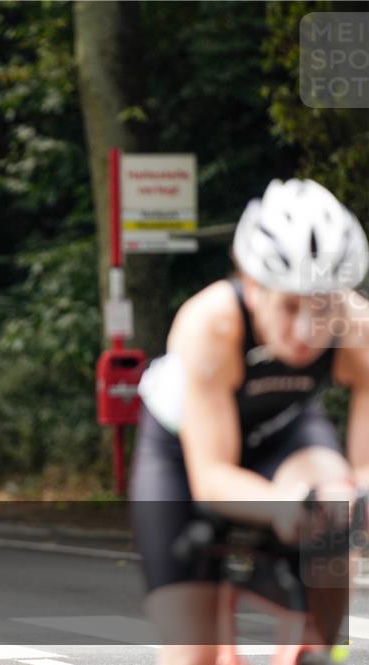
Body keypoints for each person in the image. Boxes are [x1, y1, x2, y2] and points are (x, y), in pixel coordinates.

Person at [130, 179, 369, 664]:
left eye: (323, 305)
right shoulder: (211, 322)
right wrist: (286, 510)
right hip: (183, 462)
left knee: (337, 505)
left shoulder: (356, 328)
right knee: (190, 653)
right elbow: (212, 479)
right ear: (253, 285)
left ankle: (315, 647)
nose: (308, 332)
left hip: (284, 436)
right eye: (289, 305)